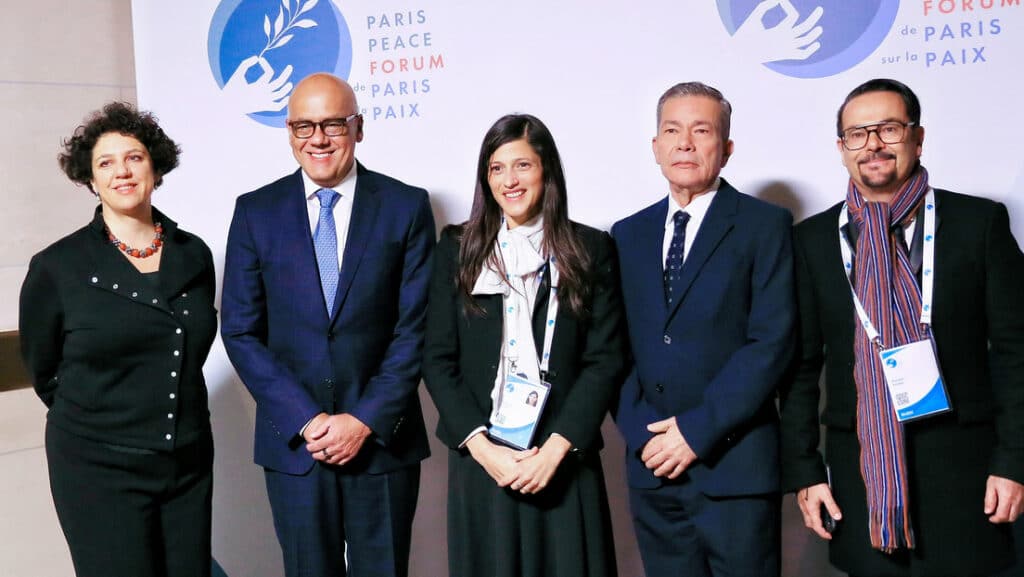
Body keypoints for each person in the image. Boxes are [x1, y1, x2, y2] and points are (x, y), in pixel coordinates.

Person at [780, 78, 1024, 577]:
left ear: (918, 137)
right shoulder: (811, 241)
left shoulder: (978, 223)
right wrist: (806, 471)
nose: (873, 144)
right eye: (857, 134)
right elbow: (801, 369)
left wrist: (1014, 462)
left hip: (967, 469)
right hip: (860, 475)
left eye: (888, 129)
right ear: (841, 149)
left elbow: (1017, 352)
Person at [221, 73, 434, 577]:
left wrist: (363, 420)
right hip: (296, 444)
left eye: (333, 124)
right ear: (289, 132)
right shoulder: (255, 212)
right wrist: (308, 420)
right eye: (303, 126)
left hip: (382, 440)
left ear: (358, 128)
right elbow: (241, 330)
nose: (317, 138)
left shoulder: (405, 206)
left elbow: (416, 328)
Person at [423, 114, 626, 577]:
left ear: (546, 171)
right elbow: (436, 359)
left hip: (561, 459)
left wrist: (555, 449)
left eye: (522, 166)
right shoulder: (457, 249)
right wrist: (483, 448)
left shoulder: (589, 249)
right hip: (484, 460)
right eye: (496, 168)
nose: (509, 181)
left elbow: (605, 359)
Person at [19, 102, 217, 577]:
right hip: (97, 467)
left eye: (134, 157)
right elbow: (44, 371)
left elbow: (193, 349)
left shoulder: (194, 253)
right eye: (105, 163)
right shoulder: (57, 267)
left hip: (187, 460)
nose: (122, 172)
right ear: (90, 179)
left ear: (156, 167)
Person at [611, 82, 795, 577]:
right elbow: (614, 349)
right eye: (672, 130)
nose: (685, 143)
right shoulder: (627, 234)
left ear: (727, 148)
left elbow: (771, 343)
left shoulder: (765, 225)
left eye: (701, 130)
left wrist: (696, 432)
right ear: (656, 147)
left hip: (734, 469)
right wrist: (643, 435)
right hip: (653, 471)